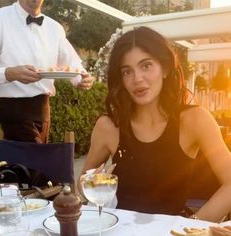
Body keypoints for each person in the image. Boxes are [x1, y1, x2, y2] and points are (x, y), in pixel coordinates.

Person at [79, 26, 231, 222]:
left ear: (165, 68)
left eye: (146, 66)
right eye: (127, 72)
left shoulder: (195, 120)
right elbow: (81, 187)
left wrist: (187, 231)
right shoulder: (108, 126)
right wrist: (94, 183)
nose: (137, 79)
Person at [0, 0, 94, 143]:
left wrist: (81, 79)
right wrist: (9, 73)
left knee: (37, 163)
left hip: (43, 112)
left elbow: (72, 63)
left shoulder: (55, 28)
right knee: (32, 162)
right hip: (10, 113)